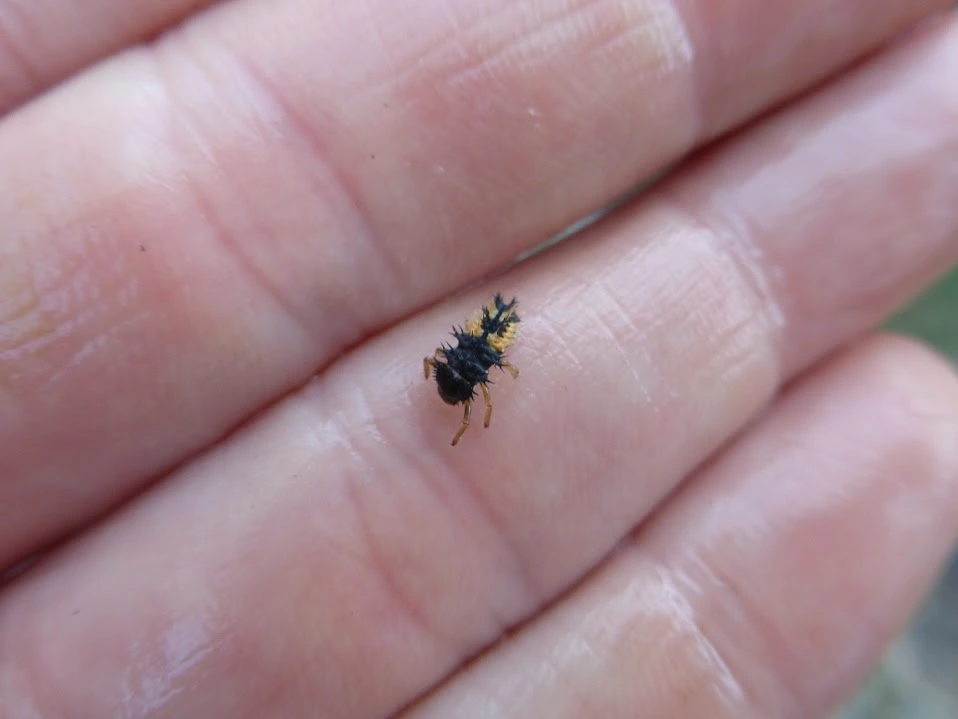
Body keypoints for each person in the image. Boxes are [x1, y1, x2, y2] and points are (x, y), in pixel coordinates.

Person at [0, 1, 956, 716]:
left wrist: (466, 382)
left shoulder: (477, 355)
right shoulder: (475, 358)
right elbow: (461, 370)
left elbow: (464, 369)